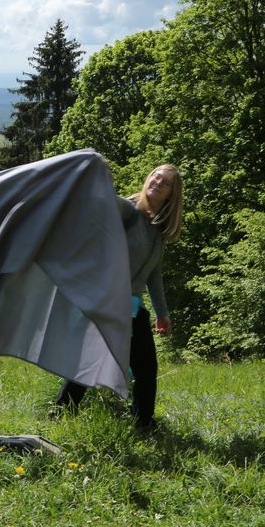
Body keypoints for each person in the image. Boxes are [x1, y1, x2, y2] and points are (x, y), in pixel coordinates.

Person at [53, 163, 184, 430]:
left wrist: (162, 312)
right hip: (106, 300)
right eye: (156, 176)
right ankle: (66, 416)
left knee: (134, 365)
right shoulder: (125, 210)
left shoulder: (157, 229)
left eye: (166, 182)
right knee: (107, 363)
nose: (157, 182)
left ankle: (139, 422)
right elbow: (100, 203)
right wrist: (96, 174)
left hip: (131, 306)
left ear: (172, 195)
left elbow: (153, 274)